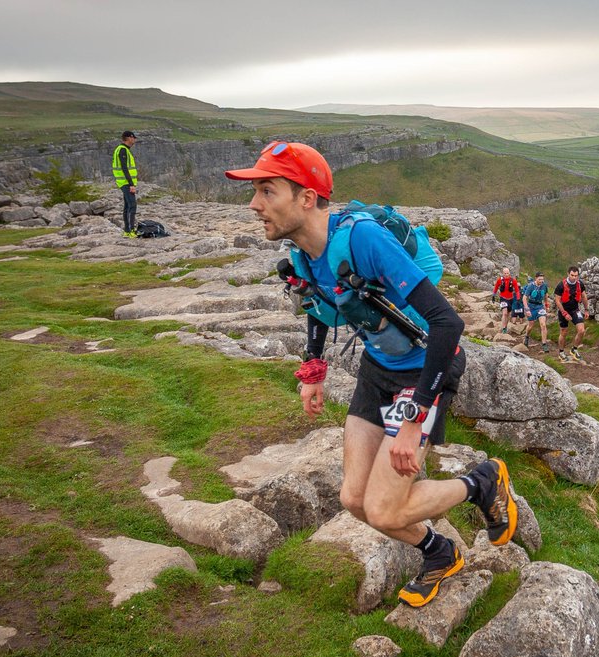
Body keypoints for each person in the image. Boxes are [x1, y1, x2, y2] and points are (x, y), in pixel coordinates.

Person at [225, 141, 518, 608]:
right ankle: (439, 552)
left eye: (266, 191)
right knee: (354, 500)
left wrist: (413, 417)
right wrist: (314, 369)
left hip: (424, 371)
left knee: (384, 508)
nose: (255, 205)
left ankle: (481, 482)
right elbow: (320, 304)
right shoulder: (303, 252)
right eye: (255, 192)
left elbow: (448, 324)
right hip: (378, 369)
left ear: (305, 198)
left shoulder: (363, 239)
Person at [554, 266, 589, 362]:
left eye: (576, 276)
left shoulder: (580, 284)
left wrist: (586, 310)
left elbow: (584, 297)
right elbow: (557, 301)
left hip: (575, 310)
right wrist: (564, 313)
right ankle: (561, 352)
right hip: (563, 311)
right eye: (572, 275)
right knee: (563, 332)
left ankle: (574, 349)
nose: (574, 277)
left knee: (581, 330)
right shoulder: (561, 285)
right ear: (568, 274)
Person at [112, 131, 139, 238]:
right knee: (132, 206)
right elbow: (124, 168)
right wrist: (131, 184)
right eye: (133, 138)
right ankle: (130, 230)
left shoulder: (123, 149)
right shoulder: (123, 150)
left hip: (124, 182)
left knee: (127, 206)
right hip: (126, 183)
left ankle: (127, 230)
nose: (134, 140)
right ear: (128, 138)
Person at [522, 272, 551, 352]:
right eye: (539, 279)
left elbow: (545, 296)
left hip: (540, 306)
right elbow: (524, 298)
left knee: (543, 324)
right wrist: (527, 309)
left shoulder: (544, 286)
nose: (541, 281)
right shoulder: (531, 286)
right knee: (531, 325)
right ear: (536, 278)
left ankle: (544, 344)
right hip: (531, 306)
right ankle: (527, 336)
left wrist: (546, 305)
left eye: (542, 279)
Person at [492, 267, 520, 334]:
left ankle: (506, 326)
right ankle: (504, 327)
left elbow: (517, 290)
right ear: (503, 273)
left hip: (511, 299)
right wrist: (493, 295)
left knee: (508, 314)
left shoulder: (513, 280)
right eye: (505, 273)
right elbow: (495, 287)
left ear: (509, 273)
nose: (506, 274)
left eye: (507, 273)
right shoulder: (500, 280)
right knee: (504, 313)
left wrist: (518, 298)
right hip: (503, 298)